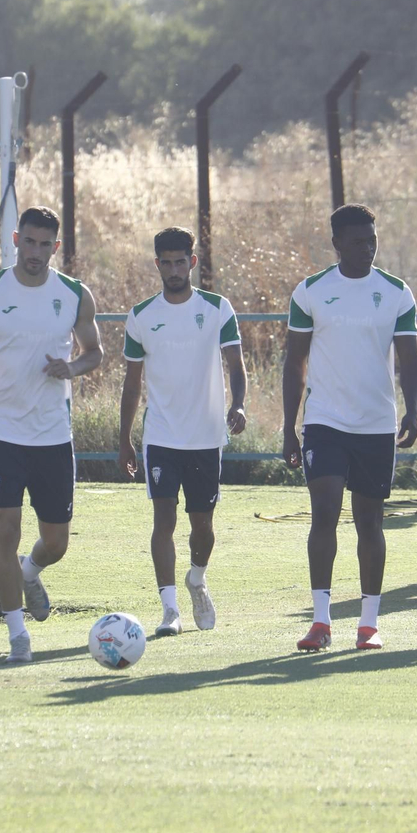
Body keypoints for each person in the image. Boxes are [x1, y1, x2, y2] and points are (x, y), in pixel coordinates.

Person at [0, 206, 103, 663]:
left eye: (44, 244)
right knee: (4, 530)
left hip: (52, 433)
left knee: (56, 543)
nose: (35, 251)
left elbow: (94, 352)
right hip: (1, 430)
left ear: (56, 246)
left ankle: (30, 572)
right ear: (16, 239)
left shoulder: (74, 295)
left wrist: (71, 367)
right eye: (28, 241)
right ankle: (17, 635)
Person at [282, 203, 417, 651]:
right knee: (324, 512)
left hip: (376, 425)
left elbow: (410, 359)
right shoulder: (311, 291)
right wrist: (289, 426)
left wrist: (413, 410)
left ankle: (368, 624)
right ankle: (320, 622)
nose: (368, 248)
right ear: (337, 243)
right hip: (324, 421)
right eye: (358, 241)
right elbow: (294, 362)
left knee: (369, 522)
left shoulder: (396, 292)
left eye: (372, 240)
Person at [118, 227, 247, 637]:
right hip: (161, 436)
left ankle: (197, 578)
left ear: (191, 262)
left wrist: (238, 404)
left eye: (180, 262)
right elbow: (132, 384)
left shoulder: (217, 308)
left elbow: (236, 364)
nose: (173, 270)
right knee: (164, 520)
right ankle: (169, 610)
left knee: (202, 527)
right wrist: (124, 439)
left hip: (206, 436)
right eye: (166, 263)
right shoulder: (141, 316)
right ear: (157, 264)